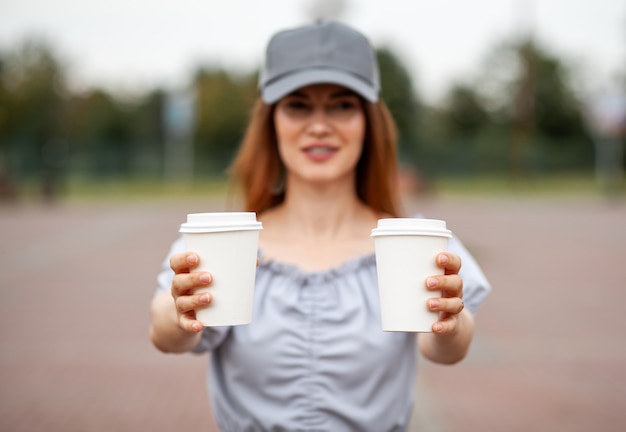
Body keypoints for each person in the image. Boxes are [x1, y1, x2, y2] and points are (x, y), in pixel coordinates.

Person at [150, 20, 491, 431]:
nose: (319, 125)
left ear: (369, 121)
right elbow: (167, 333)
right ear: (271, 122)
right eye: (298, 105)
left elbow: (445, 349)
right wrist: (178, 310)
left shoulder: (414, 240)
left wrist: (449, 322)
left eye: (342, 105)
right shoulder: (224, 241)